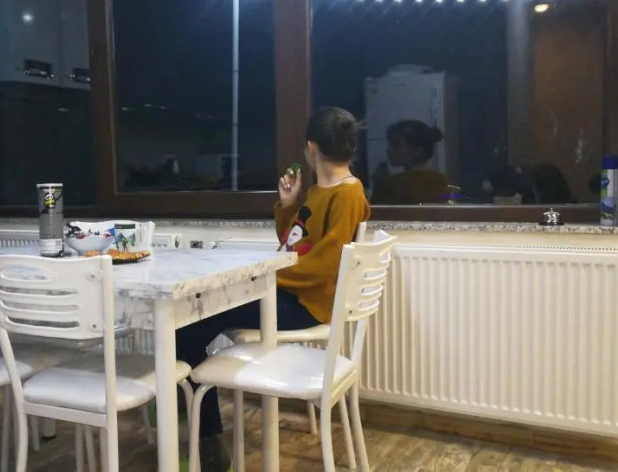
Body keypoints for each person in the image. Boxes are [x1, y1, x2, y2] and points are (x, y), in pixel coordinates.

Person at [176, 107, 371, 471]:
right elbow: (293, 245)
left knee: (188, 326)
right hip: (291, 296)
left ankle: (205, 437)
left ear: (311, 148)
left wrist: (264, 278)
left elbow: (326, 265)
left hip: (305, 306)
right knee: (190, 324)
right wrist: (288, 204)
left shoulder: (348, 195)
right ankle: (193, 418)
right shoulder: (321, 191)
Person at [371, 119, 450, 205]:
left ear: (418, 151)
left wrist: (379, 184)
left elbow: (374, 208)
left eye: (395, 145)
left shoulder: (393, 184)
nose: (388, 150)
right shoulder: (441, 180)